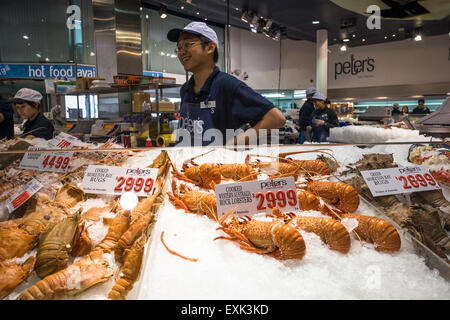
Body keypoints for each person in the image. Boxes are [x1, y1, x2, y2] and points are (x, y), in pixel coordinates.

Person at [167, 22, 285, 146]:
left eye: (187, 45)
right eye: (179, 48)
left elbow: (276, 118)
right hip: (186, 163)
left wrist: (237, 142)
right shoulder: (186, 89)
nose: (182, 52)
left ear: (210, 48)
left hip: (217, 163)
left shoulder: (227, 85)